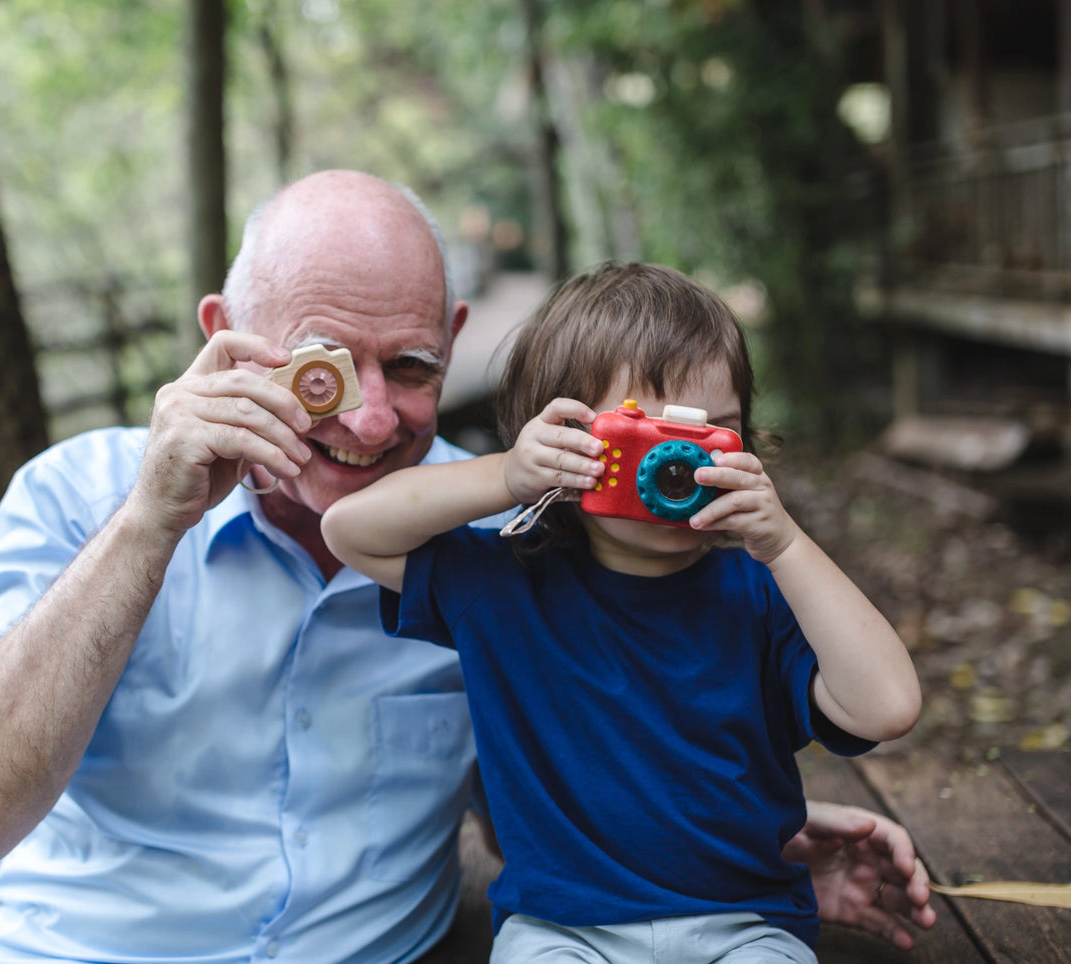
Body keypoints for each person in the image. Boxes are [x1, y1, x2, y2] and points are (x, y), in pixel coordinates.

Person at [0, 172, 935, 963]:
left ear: (453, 347)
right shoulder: (78, 496)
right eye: (319, 368)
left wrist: (749, 824)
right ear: (224, 339)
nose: (364, 417)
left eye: (407, 369)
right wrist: (148, 523)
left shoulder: (510, 526)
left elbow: (542, 727)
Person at [321, 262, 923, 962]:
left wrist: (784, 543)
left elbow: (885, 708)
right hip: (560, 929)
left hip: (744, 923)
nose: (677, 470)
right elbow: (350, 529)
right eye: (641, 439)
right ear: (562, 441)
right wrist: (509, 474)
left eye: (709, 438)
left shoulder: (762, 592)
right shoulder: (503, 581)